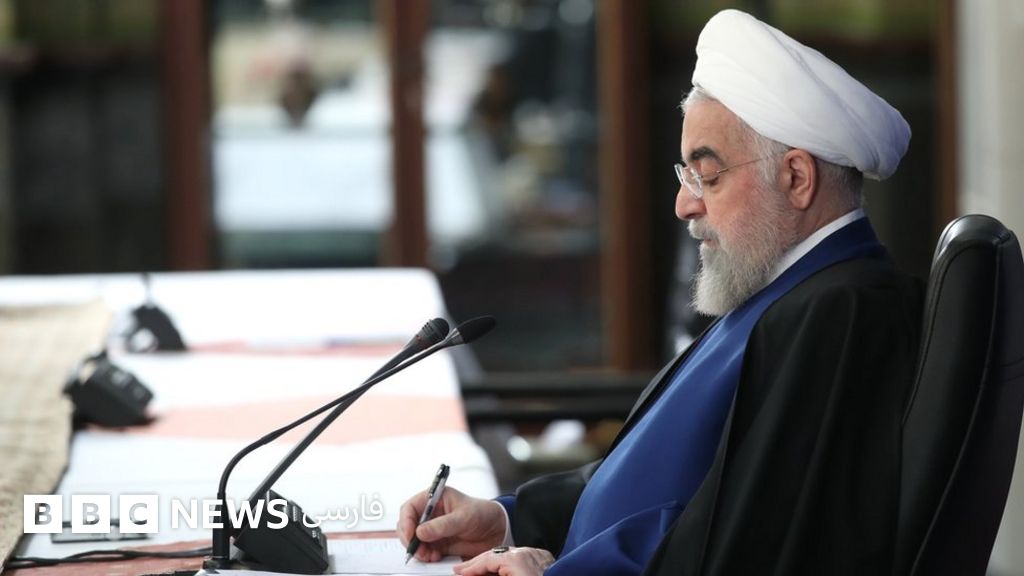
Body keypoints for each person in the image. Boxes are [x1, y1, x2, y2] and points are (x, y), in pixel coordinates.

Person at [397, 9, 923, 575]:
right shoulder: (788, 287)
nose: (684, 204)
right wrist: (510, 520)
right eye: (687, 176)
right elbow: (656, 479)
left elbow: (752, 543)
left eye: (709, 176)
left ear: (796, 178)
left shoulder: (843, 314)